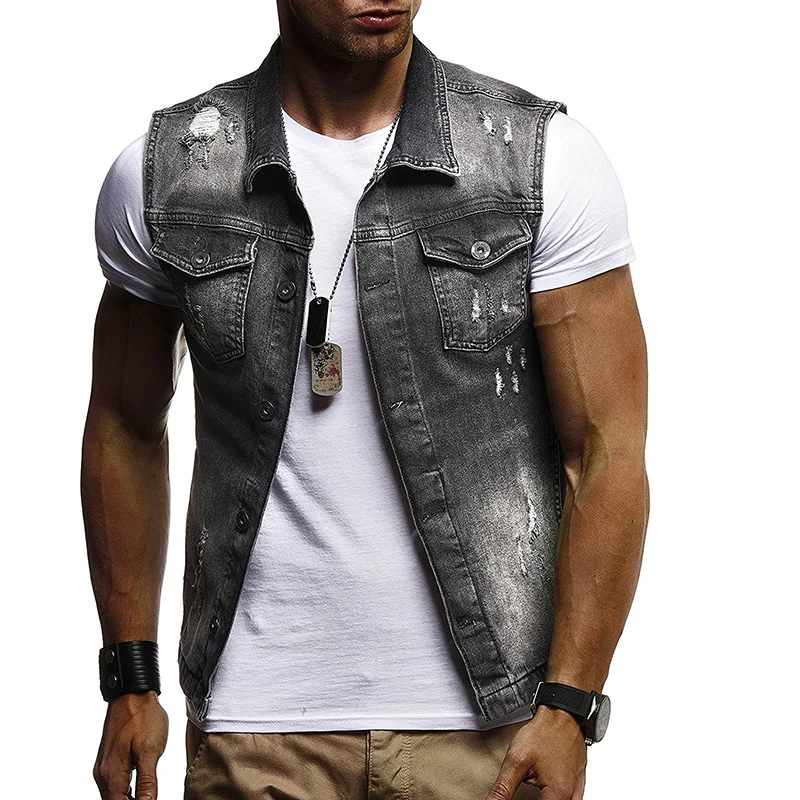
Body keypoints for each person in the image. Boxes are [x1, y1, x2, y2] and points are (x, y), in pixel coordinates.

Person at [82, 1, 649, 798]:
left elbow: (608, 449)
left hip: (490, 739)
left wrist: (570, 705)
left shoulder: (537, 160)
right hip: (255, 730)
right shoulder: (169, 174)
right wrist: (130, 678)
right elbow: (124, 425)